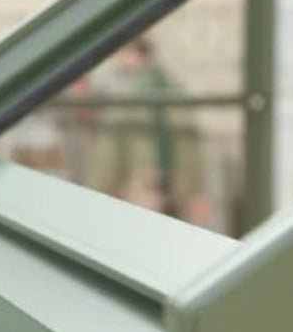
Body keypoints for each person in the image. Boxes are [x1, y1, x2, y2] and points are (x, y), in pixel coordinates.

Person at [85, 38, 209, 224]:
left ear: (139, 55)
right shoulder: (176, 91)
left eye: (124, 54)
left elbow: (109, 149)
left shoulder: (125, 95)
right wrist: (198, 190)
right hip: (178, 180)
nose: (120, 61)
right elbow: (193, 147)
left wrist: (97, 189)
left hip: (141, 180)